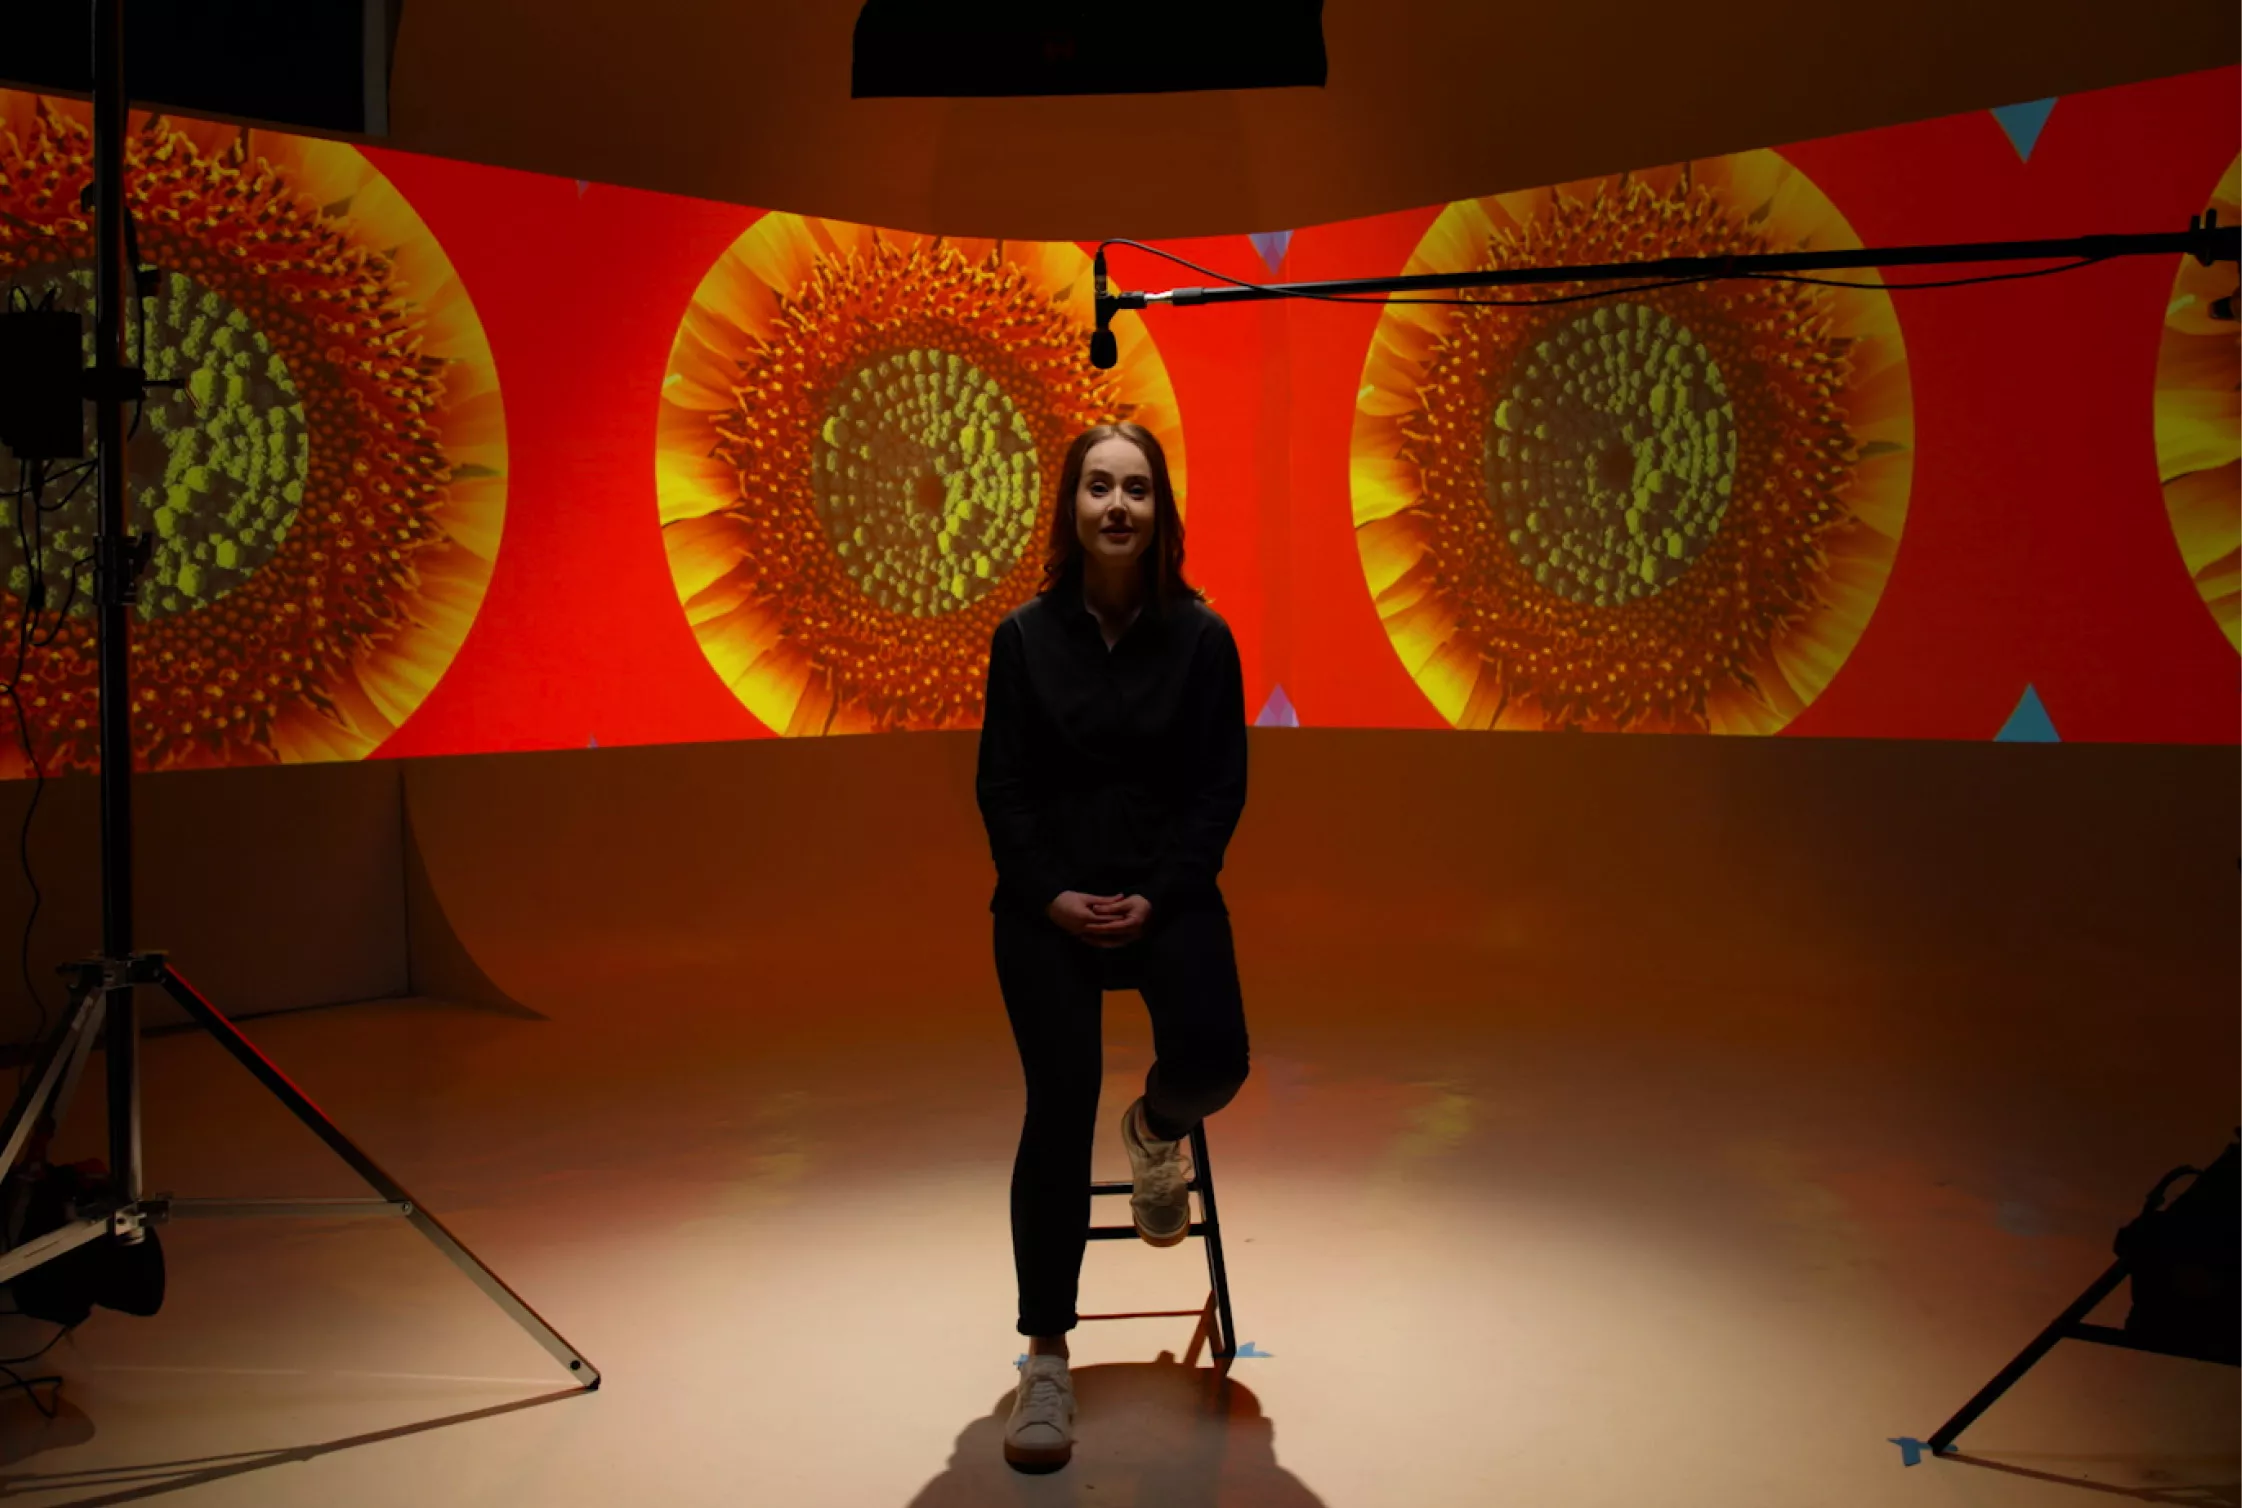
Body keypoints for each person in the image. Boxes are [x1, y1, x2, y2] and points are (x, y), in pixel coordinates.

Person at [974, 421, 1252, 1474]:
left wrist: (1156, 892)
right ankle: (1046, 1353)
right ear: (1071, 507)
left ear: (1160, 509)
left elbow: (1218, 788)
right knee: (1056, 1101)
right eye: (1099, 487)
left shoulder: (1203, 637)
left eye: (1136, 488)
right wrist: (1051, 896)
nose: (1118, 506)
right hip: (1046, 907)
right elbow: (1001, 790)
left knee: (1216, 1059)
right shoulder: (1022, 638)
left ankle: (1153, 1129)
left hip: (1165, 894)